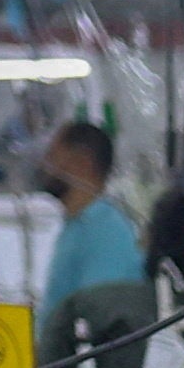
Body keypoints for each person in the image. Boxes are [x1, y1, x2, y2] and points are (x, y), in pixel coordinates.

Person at [36, 114, 144, 327]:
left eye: (52, 156)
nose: (44, 165)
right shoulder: (76, 226)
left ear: (81, 163)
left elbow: (102, 317)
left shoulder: (107, 234)